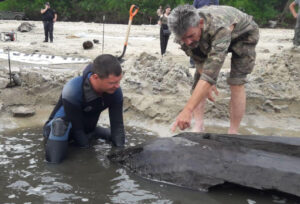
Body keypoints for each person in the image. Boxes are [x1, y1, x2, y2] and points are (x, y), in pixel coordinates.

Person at [168, 5, 259, 134]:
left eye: (190, 36)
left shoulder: (219, 28)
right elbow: (199, 61)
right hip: (208, 34)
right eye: (183, 38)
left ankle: (233, 131)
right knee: (199, 81)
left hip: (243, 35)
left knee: (236, 82)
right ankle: (198, 126)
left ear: (200, 23)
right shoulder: (182, 34)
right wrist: (206, 81)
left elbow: (212, 71)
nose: (187, 42)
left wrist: (187, 110)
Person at [43, 54, 125, 163]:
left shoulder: (115, 91)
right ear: (95, 77)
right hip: (58, 131)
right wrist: (88, 156)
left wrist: (121, 154)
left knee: (119, 137)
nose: (117, 86)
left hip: (88, 130)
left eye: (118, 81)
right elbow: (78, 131)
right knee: (60, 126)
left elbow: (117, 126)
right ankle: (53, 170)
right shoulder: (73, 90)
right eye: (112, 83)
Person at [190, 0, 219, 67]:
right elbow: (193, 10)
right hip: (198, 23)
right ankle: (193, 61)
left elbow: (217, 10)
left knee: (209, 43)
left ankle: (208, 62)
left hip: (210, 24)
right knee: (196, 42)